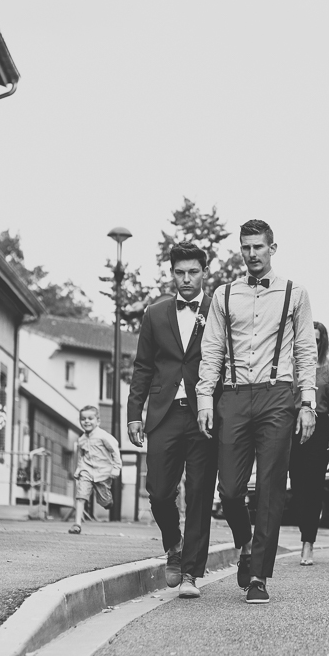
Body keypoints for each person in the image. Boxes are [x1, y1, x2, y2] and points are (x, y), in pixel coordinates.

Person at [196, 219, 317, 605]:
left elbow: (305, 352)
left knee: (269, 488)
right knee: (229, 489)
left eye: (258, 247)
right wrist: (203, 399)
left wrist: (308, 403)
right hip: (232, 396)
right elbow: (212, 349)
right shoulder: (224, 294)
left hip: (277, 395)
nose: (252, 255)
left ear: (272, 248)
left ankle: (259, 576)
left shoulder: (295, 293)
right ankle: (245, 544)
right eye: (246, 248)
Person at [126, 243, 218, 599]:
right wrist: (134, 412)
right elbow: (143, 366)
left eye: (193, 272)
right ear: (171, 274)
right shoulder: (155, 312)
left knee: (198, 495)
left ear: (203, 273)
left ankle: (192, 574)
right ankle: (173, 545)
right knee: (160, 492)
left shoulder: (217, 309)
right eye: (179, 272)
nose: (186, 279)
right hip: (163, 413)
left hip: (204, 414)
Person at [288, 321, 329, 566]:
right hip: (292, 427)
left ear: (322, 341)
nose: (312, 343)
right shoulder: (291, 366)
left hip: (320, 427)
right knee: (296, 487)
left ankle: (308, 542)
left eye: (316, 340)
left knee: (314, 487)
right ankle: (302, 533)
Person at [69, 406, 122, 535]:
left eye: (90, 418)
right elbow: (81, 456)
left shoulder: (103, 436)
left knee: (104, 501)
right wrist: (79, 470)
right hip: (86, 471)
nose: (86, 421)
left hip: (103, 472)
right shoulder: (81, 439)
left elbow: (114, 451)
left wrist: (116, 468)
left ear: (98, 421)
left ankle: (107, 501)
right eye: (83, 419)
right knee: (81, 496)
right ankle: (77, 524)